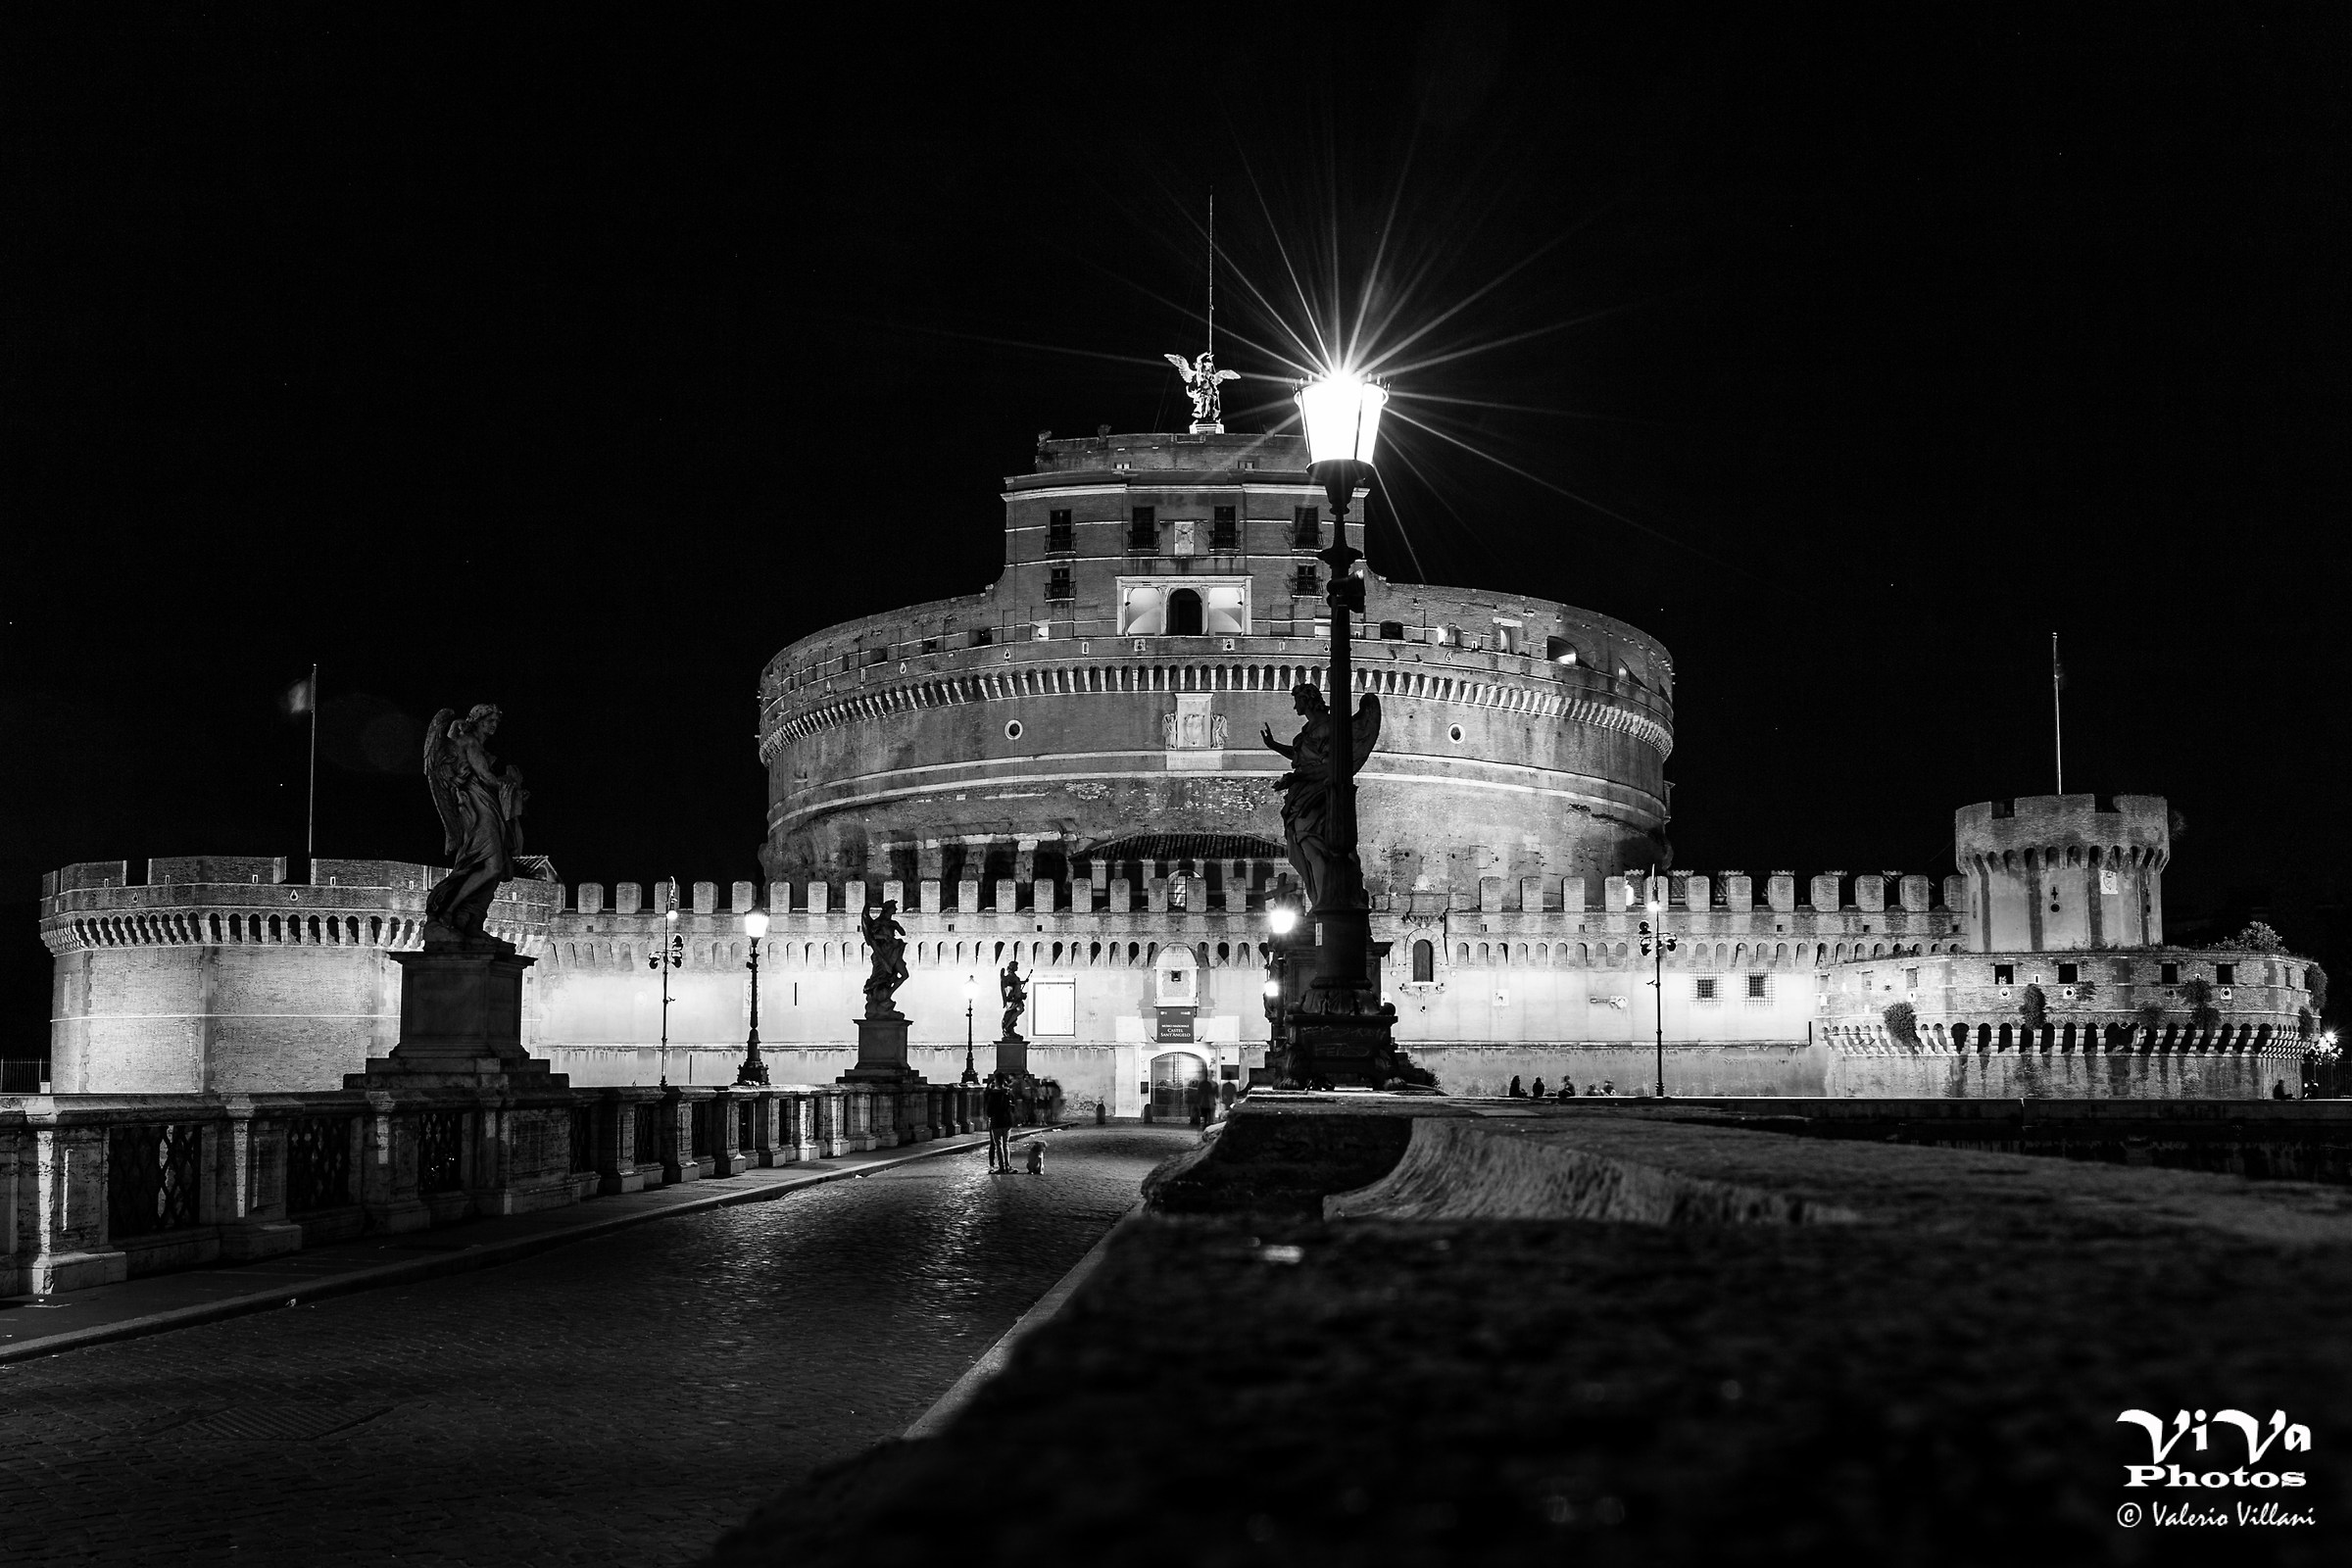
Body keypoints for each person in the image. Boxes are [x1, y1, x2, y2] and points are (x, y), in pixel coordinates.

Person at [984, 1076, 1013, 1172]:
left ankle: (1002, 1167)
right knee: (1006, 1144)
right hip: (1007, 1121)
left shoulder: (993, 1094)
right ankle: (1008, 1166)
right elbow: (1013, 1107)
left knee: (998, 1145)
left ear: (996, 1083)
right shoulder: (1008, 1093)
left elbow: (989, 1111)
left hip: (996, 1121)